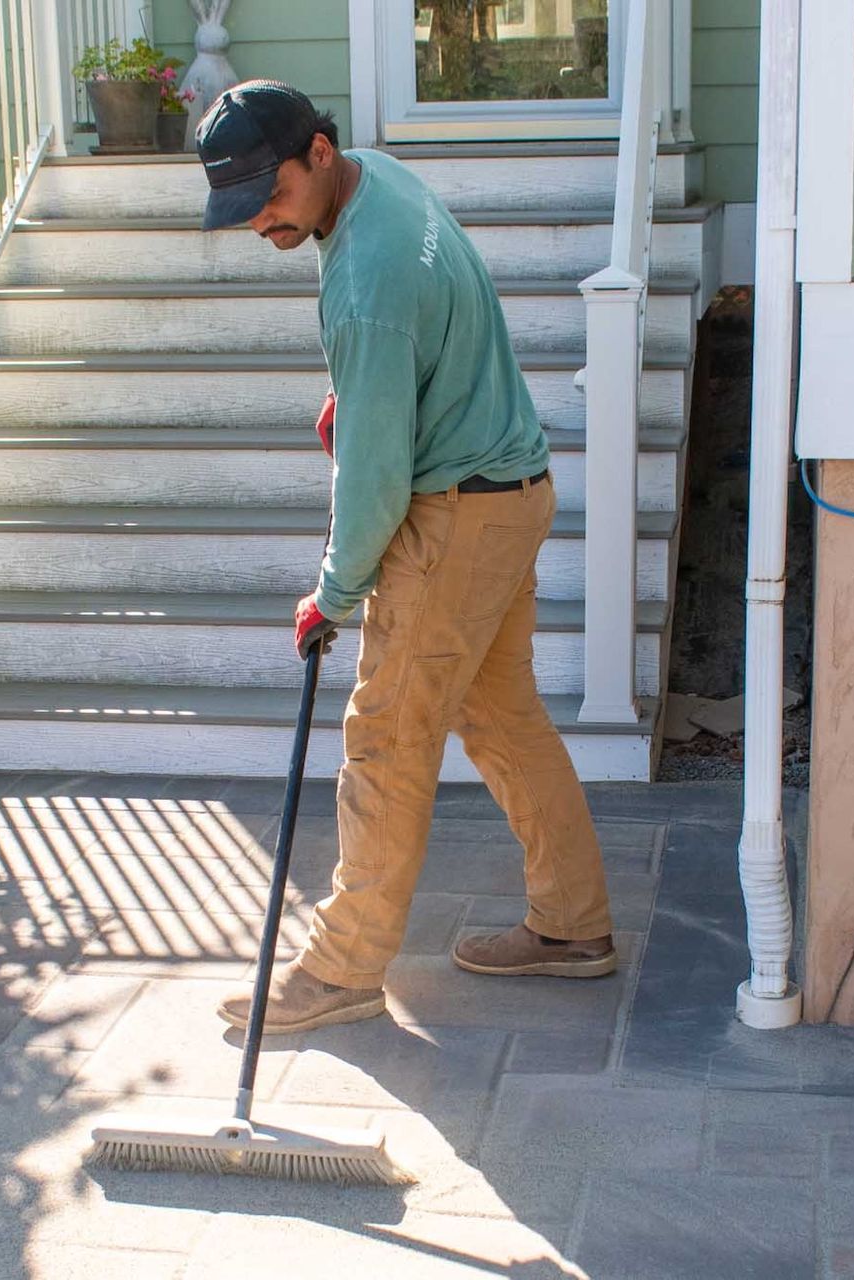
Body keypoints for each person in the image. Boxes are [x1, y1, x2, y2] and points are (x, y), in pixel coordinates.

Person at [194, 81, 617, 1034]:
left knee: (385, 738)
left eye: (270, 190)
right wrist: (376, 393)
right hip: (512, 486)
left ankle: (341, 970)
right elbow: (445, 323)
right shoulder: (380, 182)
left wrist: (333, 595)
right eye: (243, 204)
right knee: (503, 718)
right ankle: (573, 927)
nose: (260, 216)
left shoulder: (367, 284)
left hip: (457, 517)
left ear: (319, 151)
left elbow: (377, 483)